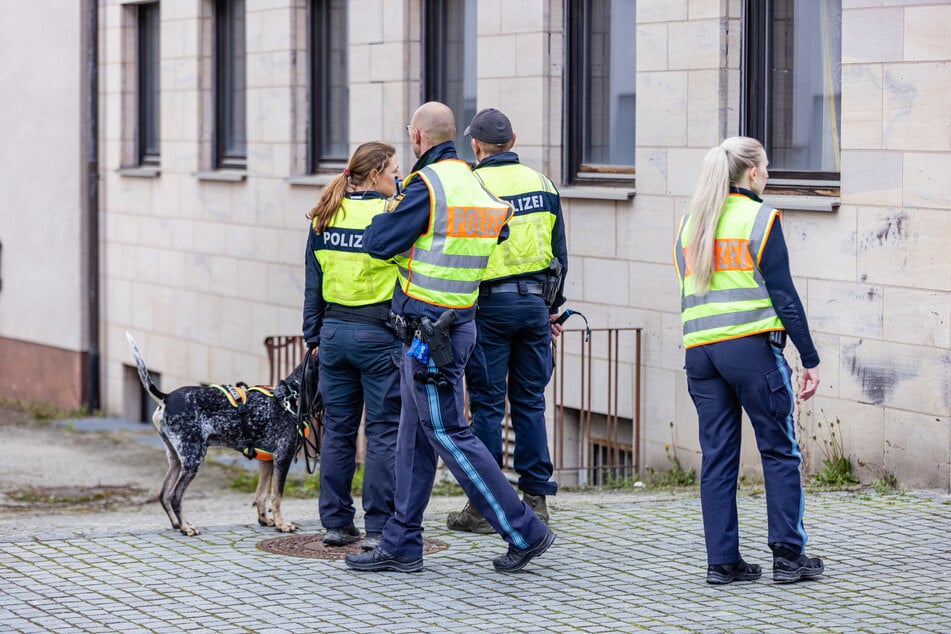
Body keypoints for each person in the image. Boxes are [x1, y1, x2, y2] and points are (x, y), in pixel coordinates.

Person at [344, 101, 555, 574]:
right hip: (456, 321)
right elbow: (496, 235)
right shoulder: (472, 180)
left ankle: (525, 529)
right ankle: (401, 542)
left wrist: (392, 212)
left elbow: (377, 243)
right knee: (413, 437)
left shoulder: (427, 185)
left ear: (418, 136)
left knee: (446, 432)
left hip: (429, 329)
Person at [673, 136, 824, 585]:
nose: (769, 174)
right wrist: (810, 357)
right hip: (750, 350)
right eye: (768, 168)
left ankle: (722, 563)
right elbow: (783, 295)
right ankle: (788, 558)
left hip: (700, 354)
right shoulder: (761, 218)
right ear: (753, 173)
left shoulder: (689, 224)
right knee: (778, 450)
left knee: (717, 457)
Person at [445, 108, 567, 534]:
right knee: (531, 403)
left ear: (475, 146)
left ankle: (484, 506)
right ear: (512, 140)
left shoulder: (471, 185)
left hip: (486, 309)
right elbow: (559, 255)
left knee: (487, 407)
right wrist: (553, 307)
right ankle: (536, 501)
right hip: (534, 306)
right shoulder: (543, 184)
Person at [303, 141, 403, 551]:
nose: (399, 177)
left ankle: (336, 524)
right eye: (395, 170)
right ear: (376, 172)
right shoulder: (389, 214)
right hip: (377, 336)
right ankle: (378, 526)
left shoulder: (325, 214)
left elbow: (313, 282)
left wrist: (312, 336)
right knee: (382, 433)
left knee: (339, 432)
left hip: (331, 336)